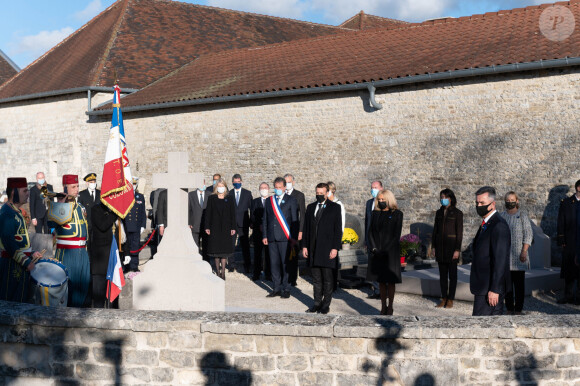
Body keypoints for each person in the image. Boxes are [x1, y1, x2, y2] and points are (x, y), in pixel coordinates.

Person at [48, 174, 91, 307]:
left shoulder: (80, 207)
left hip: (82, 252)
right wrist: (61, 204)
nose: (76, 189)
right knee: (68, 291)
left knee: (83, 288)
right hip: (67, 253)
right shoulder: (58, 205)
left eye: (77, 186)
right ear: (65, 188)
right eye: (73, 187)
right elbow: (51, 225)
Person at [470, 186, 511, 316]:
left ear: (492, 204)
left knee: (485, 328)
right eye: (477, 203)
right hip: (483, 285)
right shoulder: (487, 223)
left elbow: (500, 260)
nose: (478, 205)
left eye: (482, 203)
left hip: (490, 288)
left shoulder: (498, 225)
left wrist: (495, 289)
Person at [0, 178, 42, 302]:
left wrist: (32, 252)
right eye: (24, 191)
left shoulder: (16, 211)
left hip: (18, 265)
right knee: (10, 301)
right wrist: (26, 262)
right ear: (14, 192)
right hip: (11, 266)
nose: (28, 193)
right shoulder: (7, 213)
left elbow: (20, 239)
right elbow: (9, 243)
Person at [302, 183, 342, 314]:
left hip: (327, 248)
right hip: (313, 248)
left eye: (321, 193)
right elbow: (306, 228)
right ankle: (317, 303)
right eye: (317, 193)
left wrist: (335, 248)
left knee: (327, 279)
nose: (319, 195)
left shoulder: (335, 208)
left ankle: (326, 304)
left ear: (327, 193)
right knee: (316, 279)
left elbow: (338, 230)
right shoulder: (311, 207)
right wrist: (304, 246)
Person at [366, 189, 403, 315]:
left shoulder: (397, 214)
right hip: (377, 251)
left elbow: (396, 235)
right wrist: (375, 248)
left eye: (383, 199)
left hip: (390, 252)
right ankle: (383, 306)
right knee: (380, 281)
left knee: (390, 281)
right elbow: (370, 232)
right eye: (379, 200)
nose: (381, 201)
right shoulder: (375, 213)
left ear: (389, 199)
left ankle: (390, 306)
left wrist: (385, 250)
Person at [262, 177, 299, 298]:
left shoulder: (291, 200)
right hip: (272, 237)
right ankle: (276, 288)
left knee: (285, 264)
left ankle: (286, 288)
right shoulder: (269, 201)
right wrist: (265, 235)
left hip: (285, 238)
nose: (278, 190)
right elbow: (266, 219)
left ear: (284, 187)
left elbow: (295, 220)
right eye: (276, 188)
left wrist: (293, 238)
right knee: (274, 264)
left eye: (280, 187)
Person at [500, 191, 533, 314]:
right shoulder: (501, 216)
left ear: (517, 201)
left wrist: (524, 251)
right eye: (507, 200)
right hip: (505, 257)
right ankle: (509, 308)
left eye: (512, 200)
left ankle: (518, 309)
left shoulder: (522, 215)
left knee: (519, 286)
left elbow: (528, 234)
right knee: (507, 285)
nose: (510, 202)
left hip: (519, 256)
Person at [431, 188, 463, 309]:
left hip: (451, 248)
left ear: (451, 198)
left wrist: (457, 250)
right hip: (440, 248)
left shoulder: (457, 213)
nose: (443, 199)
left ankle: (450, 299)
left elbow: (459, 233)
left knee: (453, 275)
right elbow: (435, 231)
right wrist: (433, 247)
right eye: (441, 197)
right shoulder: (438, 213)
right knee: (442, 275)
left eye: (445, 197)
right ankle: (444, 298)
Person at [205, 178, 236, 280]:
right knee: (216, 251)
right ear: (216, 187)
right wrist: (207, 227)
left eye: (222, 186)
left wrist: (233, 227)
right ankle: (217, 271)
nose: (221, 188)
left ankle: (223, 272)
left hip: (226, 228)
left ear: (225, 187)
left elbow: (233, 214)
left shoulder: (230, 198)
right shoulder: (211, 198)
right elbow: (208, 213)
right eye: (219, 186)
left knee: (224, 251)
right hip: (215, 227)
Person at [90, 202, 119, 308]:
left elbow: (122, 232)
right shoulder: (96, 209)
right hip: (100, 259)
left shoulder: (117, 210)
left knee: (113, 297)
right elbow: (103, 225)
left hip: (114, 257)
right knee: (99, 295)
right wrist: (115, 213)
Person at [557, 179, 580, 304]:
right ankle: (568, 296)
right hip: (570, 241)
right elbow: (561, 222)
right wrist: (561, 239)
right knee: (569, 270)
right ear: (578, 188)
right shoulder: (566, 203)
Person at [229, 174, 253, 273]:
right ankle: (231, 265)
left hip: (244, 223)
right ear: (232, 182)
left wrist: (251, 222)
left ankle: (247, 265)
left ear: (241, 181)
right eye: (235, 182)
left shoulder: (247, 193)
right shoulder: (229, 193)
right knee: (231, 245)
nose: (237, 183)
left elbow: (251, 208)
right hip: (232, 224)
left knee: (245, 245)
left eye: (239, 181)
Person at [284, 173, 305, 286]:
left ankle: (293, 278)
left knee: (293, 254)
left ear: (293, 182)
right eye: (285, 182)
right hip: (283, 229)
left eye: (289, 181)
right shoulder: (281, 194)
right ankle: (284, 277)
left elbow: (302, 214)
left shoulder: (299, 195)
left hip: (294, 229)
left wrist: (301, 230)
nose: (287, 184)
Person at [122, 177, 146, 273]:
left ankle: (134, 266)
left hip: (136, 226)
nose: (134, 186)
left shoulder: (140, 197)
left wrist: (143, 225)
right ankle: (127, 266)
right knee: (127, 246)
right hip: (127, 226)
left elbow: (142, 212)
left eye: (135, 184)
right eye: (132, 184)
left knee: (135, 246)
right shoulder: (124, 196)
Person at [365, 180, 383, 299]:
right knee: (373, 266)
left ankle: (384, 290)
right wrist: (366, 240)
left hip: (381, 239)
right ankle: (377, 290)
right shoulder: (369, 203)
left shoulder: (385, 203)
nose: (373, 190)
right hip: (370, 239)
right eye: (372, 188)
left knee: (382, 266)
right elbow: (367, 221)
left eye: (375, 187)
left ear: (381, 188)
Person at [250, 182, 271, 281]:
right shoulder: (255, 201)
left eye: (265, 187)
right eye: (261, 188)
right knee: (257, 253)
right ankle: (256, 273)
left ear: (269, 189)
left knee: (269, 254)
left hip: (270, 232)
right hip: (258, 231)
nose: (263, 189)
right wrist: (259, 225)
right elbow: (252, 216)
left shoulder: (272, 200)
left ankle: (268, 274)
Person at [327, 181, 345, 291]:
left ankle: (333, 284)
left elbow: (341, 224)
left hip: (334, 236)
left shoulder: (339, 205)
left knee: (333, 261)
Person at [188, 181, 209, 260]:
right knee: (194, 246)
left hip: (206, 225)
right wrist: (189, 222)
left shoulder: (209, 194)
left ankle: (206, 262)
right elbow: (188, 209)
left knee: (206, 246)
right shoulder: (191, 195)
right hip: (194, 225)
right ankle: (195, 261)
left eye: (203, 183)